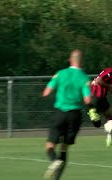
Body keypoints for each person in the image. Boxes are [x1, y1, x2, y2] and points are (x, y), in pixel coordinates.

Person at [42, 49, 99, 179]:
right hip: (75, 115)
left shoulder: (60, 74)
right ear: (81, 62)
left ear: (70, 59)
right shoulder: (84, 78)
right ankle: (57, 176)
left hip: (59, 113)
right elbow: (88, 100)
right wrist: (93, 114)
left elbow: (46, 92)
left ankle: (54, 161)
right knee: (65, 147)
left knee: (50, 145)